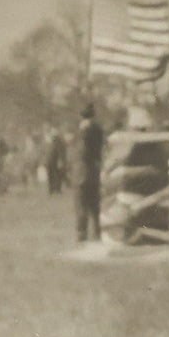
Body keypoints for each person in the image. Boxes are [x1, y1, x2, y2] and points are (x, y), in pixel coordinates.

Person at [73, 103, 105, 242]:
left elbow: (82, 152)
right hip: (95, 168)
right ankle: (98, 230)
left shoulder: (83, 131)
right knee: (95, 203)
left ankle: (82, 232)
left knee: (81, 202)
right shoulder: (98, 129)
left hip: (83, 169)